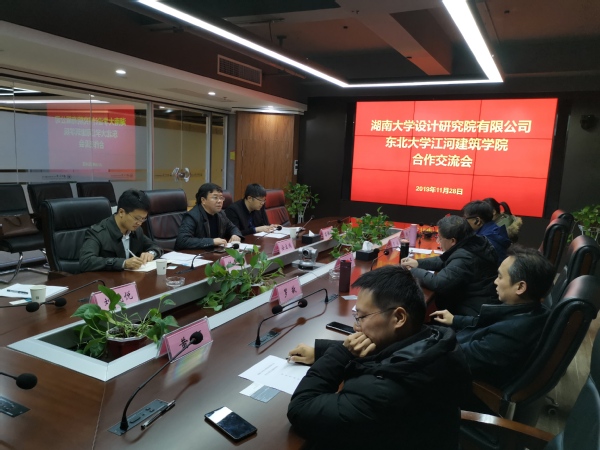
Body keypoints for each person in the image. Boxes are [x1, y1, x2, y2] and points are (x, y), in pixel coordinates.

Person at [287, 265, 471, 450]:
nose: (356, 326)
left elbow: (301, 409)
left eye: (362, 316)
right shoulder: (435, 343)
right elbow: (386, 350)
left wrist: (341, 353)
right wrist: (321, 350)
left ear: (399, 318)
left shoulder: (380, 392)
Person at [430, 245, 554, 388]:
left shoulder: (510, 334)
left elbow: (455, 357)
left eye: (500, 277)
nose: (495, 281)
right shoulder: (531, 310)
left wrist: (424, 344)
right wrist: (454, 319)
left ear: (520, 287)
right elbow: (486, 322)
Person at [401, 215, 498, 317]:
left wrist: (411, 270)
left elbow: (438, 283)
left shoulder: (465, 257)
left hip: (472, 312)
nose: (438, 242)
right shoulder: (474, 242)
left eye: (440, 238)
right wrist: (418, 263)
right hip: (479, 302)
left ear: (452, 241)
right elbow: (444, 260)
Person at [79, 189, 163, 272]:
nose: (140, 223)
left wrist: (151, 253)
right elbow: (86, 261)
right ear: (121, 212)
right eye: (137, 218)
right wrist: (123, 263)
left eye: (143, 219)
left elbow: (155, 247)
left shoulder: (136, 230)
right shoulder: (98, 233)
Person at [175, 182, 242, 250]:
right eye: (215, 198)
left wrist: (235, 234)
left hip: (213, 252)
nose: (219, 201)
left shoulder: (221, 214)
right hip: (194, 254)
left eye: (221, 198)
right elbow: (182, 240)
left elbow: (232, 227)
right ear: (203, 200)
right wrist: (212, 241)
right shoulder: (192, 216)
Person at [462, 200, 511, 265]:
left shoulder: (483, 242)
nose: (463, 221)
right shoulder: (495, 232)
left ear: (478, 221)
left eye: (465, 218)